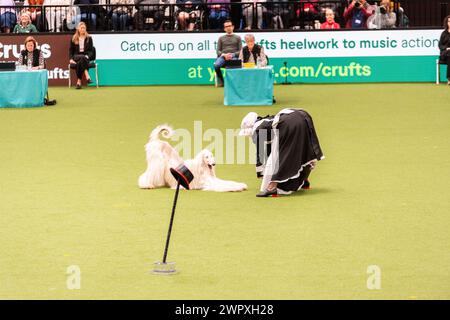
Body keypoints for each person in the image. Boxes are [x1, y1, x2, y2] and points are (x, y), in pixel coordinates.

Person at [239, 108, 324, 197]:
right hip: (303, 116)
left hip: (289, 122)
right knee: (303, 149)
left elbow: (261, 155)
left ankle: (272, 188)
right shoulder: (266, 121)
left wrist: (261, 174)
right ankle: (304, 181)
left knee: (282, 155)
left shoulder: (257, 129)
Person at [213, 20, 241, 87]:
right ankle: (222, 82)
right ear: (224, 29)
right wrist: (224, 55)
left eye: (230, 26)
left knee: (234, 65)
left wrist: (232, 55)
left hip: (234, 57)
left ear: (233, 27)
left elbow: (240, 51)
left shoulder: (238, 38)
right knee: (216, 65)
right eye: (226, 26)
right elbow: (218, 51)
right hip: (223, 57)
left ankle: (234, 83)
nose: (228, 28)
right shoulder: (221, 38)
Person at [69, 22, 95, 89]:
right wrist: (71, 59)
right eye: (81, 28)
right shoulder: (74, 38)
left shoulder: (89, 38)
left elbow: (91, 51)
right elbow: (71, 50)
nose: (83, 29)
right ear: (78, 29)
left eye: (84, 28)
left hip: (85, 57)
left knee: (80, 62)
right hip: (76, 56)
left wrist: (87, 56)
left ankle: (79, 82)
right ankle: (87, 76)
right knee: (82, 58)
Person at [439, 15, 450, 85]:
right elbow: (440, 45)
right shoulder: (443, 33)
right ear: (446, 23)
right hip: (445, 54)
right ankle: (449, 79)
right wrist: (447, 48)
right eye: (449, 21)